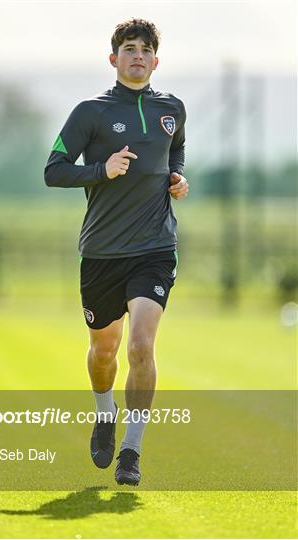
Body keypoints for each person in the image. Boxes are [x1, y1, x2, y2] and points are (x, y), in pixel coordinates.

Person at [44, 18, 188, 486]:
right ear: (114, 58)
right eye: (129, 48)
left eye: (146, 50)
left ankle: (132, 449)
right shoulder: (91, 112)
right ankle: (104, 414)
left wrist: (177, 178)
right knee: (103, 350)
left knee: (141, 344)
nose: (138, 56)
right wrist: (100, 170)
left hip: (155, 248)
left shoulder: (173, 108)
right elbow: (54, 171)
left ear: (156, 60)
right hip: (102, 251)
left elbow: (176, 151)